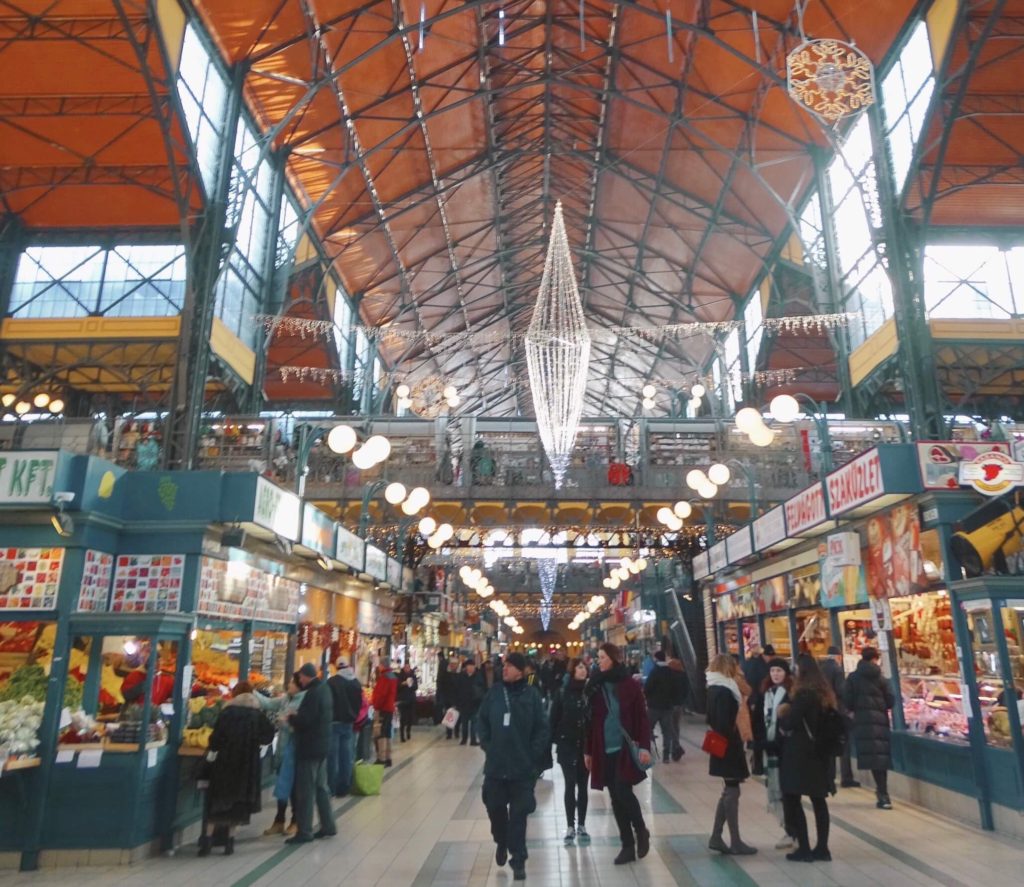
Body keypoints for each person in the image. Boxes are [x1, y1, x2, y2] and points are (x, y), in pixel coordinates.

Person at [477, 652, 549, 882]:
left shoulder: (531, 695)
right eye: (504, 665)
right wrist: (489, 745)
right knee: (495, 807)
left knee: (519, 815)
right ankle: (501, 840)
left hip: (521, 768)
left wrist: (532, 754)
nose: (504, 668)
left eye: (509, 665)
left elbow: (542, 727)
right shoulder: (495, 693)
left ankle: (518, 860)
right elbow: (482, 720)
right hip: (497, 767)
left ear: (521, 670)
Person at [584, 643, 652, 866]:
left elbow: (642, 717)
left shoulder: (629, 685)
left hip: (624, 747)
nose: (598, 661)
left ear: (613, 659)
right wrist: (588, 750)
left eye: (602, 657)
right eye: (598, 657)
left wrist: (644, 746)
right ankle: (627, 845)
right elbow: (590, 721)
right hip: (603, 749)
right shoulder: (595, 685)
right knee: (615, 797)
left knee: (623, 791)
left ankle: (640, 829)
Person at [199, 681, 275, 856]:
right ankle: (229, 843)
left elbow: (215, 739)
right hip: (247, 765)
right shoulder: (257, 715)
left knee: (217, 801)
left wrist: (215, 749)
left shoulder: (227, 713)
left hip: (225, 763)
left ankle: (207, 843)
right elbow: (268, 736)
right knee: (236, 804)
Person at [778, 654, 836, 862]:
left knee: (793, 797)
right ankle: (822, 848)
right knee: (819, 800)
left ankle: (804, 848)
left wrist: (782, 715)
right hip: (821, 753)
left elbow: (790, 722)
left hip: (801, 753)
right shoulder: (825, 694)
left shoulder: (803, 695)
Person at [705, 653, 757, 855]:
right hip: (728, 746)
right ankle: (734, 840)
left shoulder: (714, 688)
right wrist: (734, 736)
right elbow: (723, 722)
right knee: (732, 790)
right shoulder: (725, 691)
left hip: (722, 745)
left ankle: (717, 836)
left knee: (729, 789)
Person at [287, 663, 336, 843]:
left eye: (300, 677)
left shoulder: (312, 694)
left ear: (306, 676)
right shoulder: (324, 690)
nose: (299, 680)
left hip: (310, 747)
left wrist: (291, 717)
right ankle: (328, 825)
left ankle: (304, 831)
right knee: (321, 787)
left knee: (306, 790)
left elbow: (305, 721)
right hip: (322, 746)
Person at [844, 647, 895, 809]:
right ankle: (883, 792)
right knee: (881, 757)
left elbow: (847, 700)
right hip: (880, 721)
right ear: (875, 659)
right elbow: (891, 701)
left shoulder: (852, 678)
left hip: (863, 722)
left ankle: (881, 793)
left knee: (872, 757)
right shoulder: (881, 678)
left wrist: (854, 712)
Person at [549, 657, 591, 846]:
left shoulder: (591, 692)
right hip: (567, 745)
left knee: (583, 785)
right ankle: (570, 826)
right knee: (569, 784)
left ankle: (581, 824)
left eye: (585, 668)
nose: (583, 670)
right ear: (573, 670)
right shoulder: (562, 692)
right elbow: (553, 719)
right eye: (580, 667)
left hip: (586, 746)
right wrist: (553, 741)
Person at [263, 673, 304, 836]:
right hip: (282, 749)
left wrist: (286, 723)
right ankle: (279, 821)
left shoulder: (304, 701)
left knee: (293, 788)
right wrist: (249, 693)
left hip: (294, 751)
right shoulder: (286, 699)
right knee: (282, 787)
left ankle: (295, 821)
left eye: (292, 683)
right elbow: (269, 703)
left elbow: (301, 725)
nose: (289, 685)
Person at [760, 658, 795, 850]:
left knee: (785, 792)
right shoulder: (767, 694)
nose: (775, 674)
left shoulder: (790, 694)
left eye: (779, 671)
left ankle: (792, 831)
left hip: (785, 750)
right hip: (772, 749)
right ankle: (788, 830)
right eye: (772, 670)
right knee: (778, 790)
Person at [820, 646, 858, 789]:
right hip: (838, 711)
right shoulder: (837, 669)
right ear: (838, 657)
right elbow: (842, 691)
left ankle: (829, 776)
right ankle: (846, 777)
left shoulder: (821, 669)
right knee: (844, 744)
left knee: (829, 744)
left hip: (825, 710)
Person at [327, 658, 362, 795]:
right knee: (346, 756)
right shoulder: (355, 683)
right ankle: (344, 787)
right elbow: (360, 703)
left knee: (333, 757)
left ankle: (332, 787)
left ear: (336, 667)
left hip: (334, 723)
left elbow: (328, 703)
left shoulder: (332, 682)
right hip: (349, 724)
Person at [644, 651, 677, 764]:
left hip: (654, 706)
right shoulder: (671, 672)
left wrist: (648, 698)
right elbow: (674, 689)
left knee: (648, 729)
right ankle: (666, 756)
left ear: (656, 659)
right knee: (667, 732)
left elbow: (647, 688)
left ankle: (650, 751)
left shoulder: (655, 671)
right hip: (667, 707)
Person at [742, 643, 770, 775]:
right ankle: (758, 764)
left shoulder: (746, 664)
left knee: (755, 730)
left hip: (750, 701)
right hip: (760, 702)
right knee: (760, 732)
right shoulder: (762, 667)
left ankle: (753, 755)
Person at [371, 658, 398, 766]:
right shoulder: (393, 676)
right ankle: (388, 757)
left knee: (381, 733)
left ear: (383, 665)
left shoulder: (384, 678)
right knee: (387, 733)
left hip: (383, 709)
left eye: (380, 665)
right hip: (389, 708)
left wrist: (376, 705)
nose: (379, 666)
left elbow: (381, 695)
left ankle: (381, 759)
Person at [456, 659, 484, 745]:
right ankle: (464, 739)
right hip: (464, 703)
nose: (471, 668)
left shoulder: (478, 676)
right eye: (470, 666)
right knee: (464, 722)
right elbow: (457, 689)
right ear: (466, 667)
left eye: (473, 666)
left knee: (474, 722)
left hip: (475, 703)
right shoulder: (461, 676)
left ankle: (473, 740)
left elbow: (483, 687)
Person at [668, 656, 690, 760]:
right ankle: (675, 748)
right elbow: (687, 689)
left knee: (671, 727)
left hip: (670, 704)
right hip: (679, 704)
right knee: (676, 726)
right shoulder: (683, 675)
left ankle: (676, 747)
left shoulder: (669, 676)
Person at [396, 662, 418, 743]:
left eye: (408, 667)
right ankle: (402, 735)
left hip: (411, 699)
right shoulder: (400, 676)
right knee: (403, 718)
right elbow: (397, 686)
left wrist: (411, 685)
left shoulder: (413, 675)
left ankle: (408, 731)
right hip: (402, 699)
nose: (407, 669)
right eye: (405, 667)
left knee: (410, 717)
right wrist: (403, 684)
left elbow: (416, 687)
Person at [439, 658, 460, 739]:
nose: (453, 666)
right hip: (448, 698)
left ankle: (456, 732)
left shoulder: (460, 675)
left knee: (457, 716)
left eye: (455, 664)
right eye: (452, 664)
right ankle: (449, 733)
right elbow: (442, 687)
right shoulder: (445, 675)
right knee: (449, 716)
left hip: (457, 699)